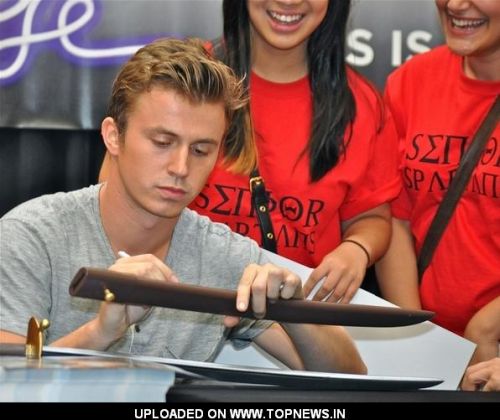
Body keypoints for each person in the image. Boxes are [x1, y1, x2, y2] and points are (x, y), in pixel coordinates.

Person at [0, 38, 366, 374]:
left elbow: (352, 377)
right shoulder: (32, 237)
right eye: (162, 142)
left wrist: (293, 309)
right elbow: (7, 383)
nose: (180, 168)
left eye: (201, 150)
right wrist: (99, 332)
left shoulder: (225, 257)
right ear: (113, 135)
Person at [187, 0, 400, 304]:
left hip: (298, 324)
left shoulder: (361, 105)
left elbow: (372, 218)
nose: (289, 1)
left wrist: (357, 249)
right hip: (184, 310)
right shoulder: (185, 79)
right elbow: (121, 189)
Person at [375, 0, 499, 366]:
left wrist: (487, 330)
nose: (457, 5)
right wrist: (414, 332)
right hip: (432, 351)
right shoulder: (411, 81)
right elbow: (395, 216)